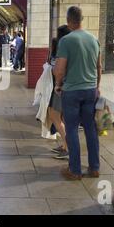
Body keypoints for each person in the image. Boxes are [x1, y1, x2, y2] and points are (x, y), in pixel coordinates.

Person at [54, 6, 102, 180]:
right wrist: (97, 86)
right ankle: (94, 168)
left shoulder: (66, 40)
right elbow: (99, 67)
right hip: (90, 91)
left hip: (72, 91)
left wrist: (58, 84)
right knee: (90, 128)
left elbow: (59, 69)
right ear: (82, 19)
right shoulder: (94, 40)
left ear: (68, 21)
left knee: (72, 129)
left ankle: (75, 170)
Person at [48, 25, 71, 160]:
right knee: (60, 117)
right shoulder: (70, 46)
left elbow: (59, 69)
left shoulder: (62, 46)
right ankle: (64, 145)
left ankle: (67, 146)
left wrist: (57, 84)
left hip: (60, 87)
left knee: (54, 116)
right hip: (65, 86)